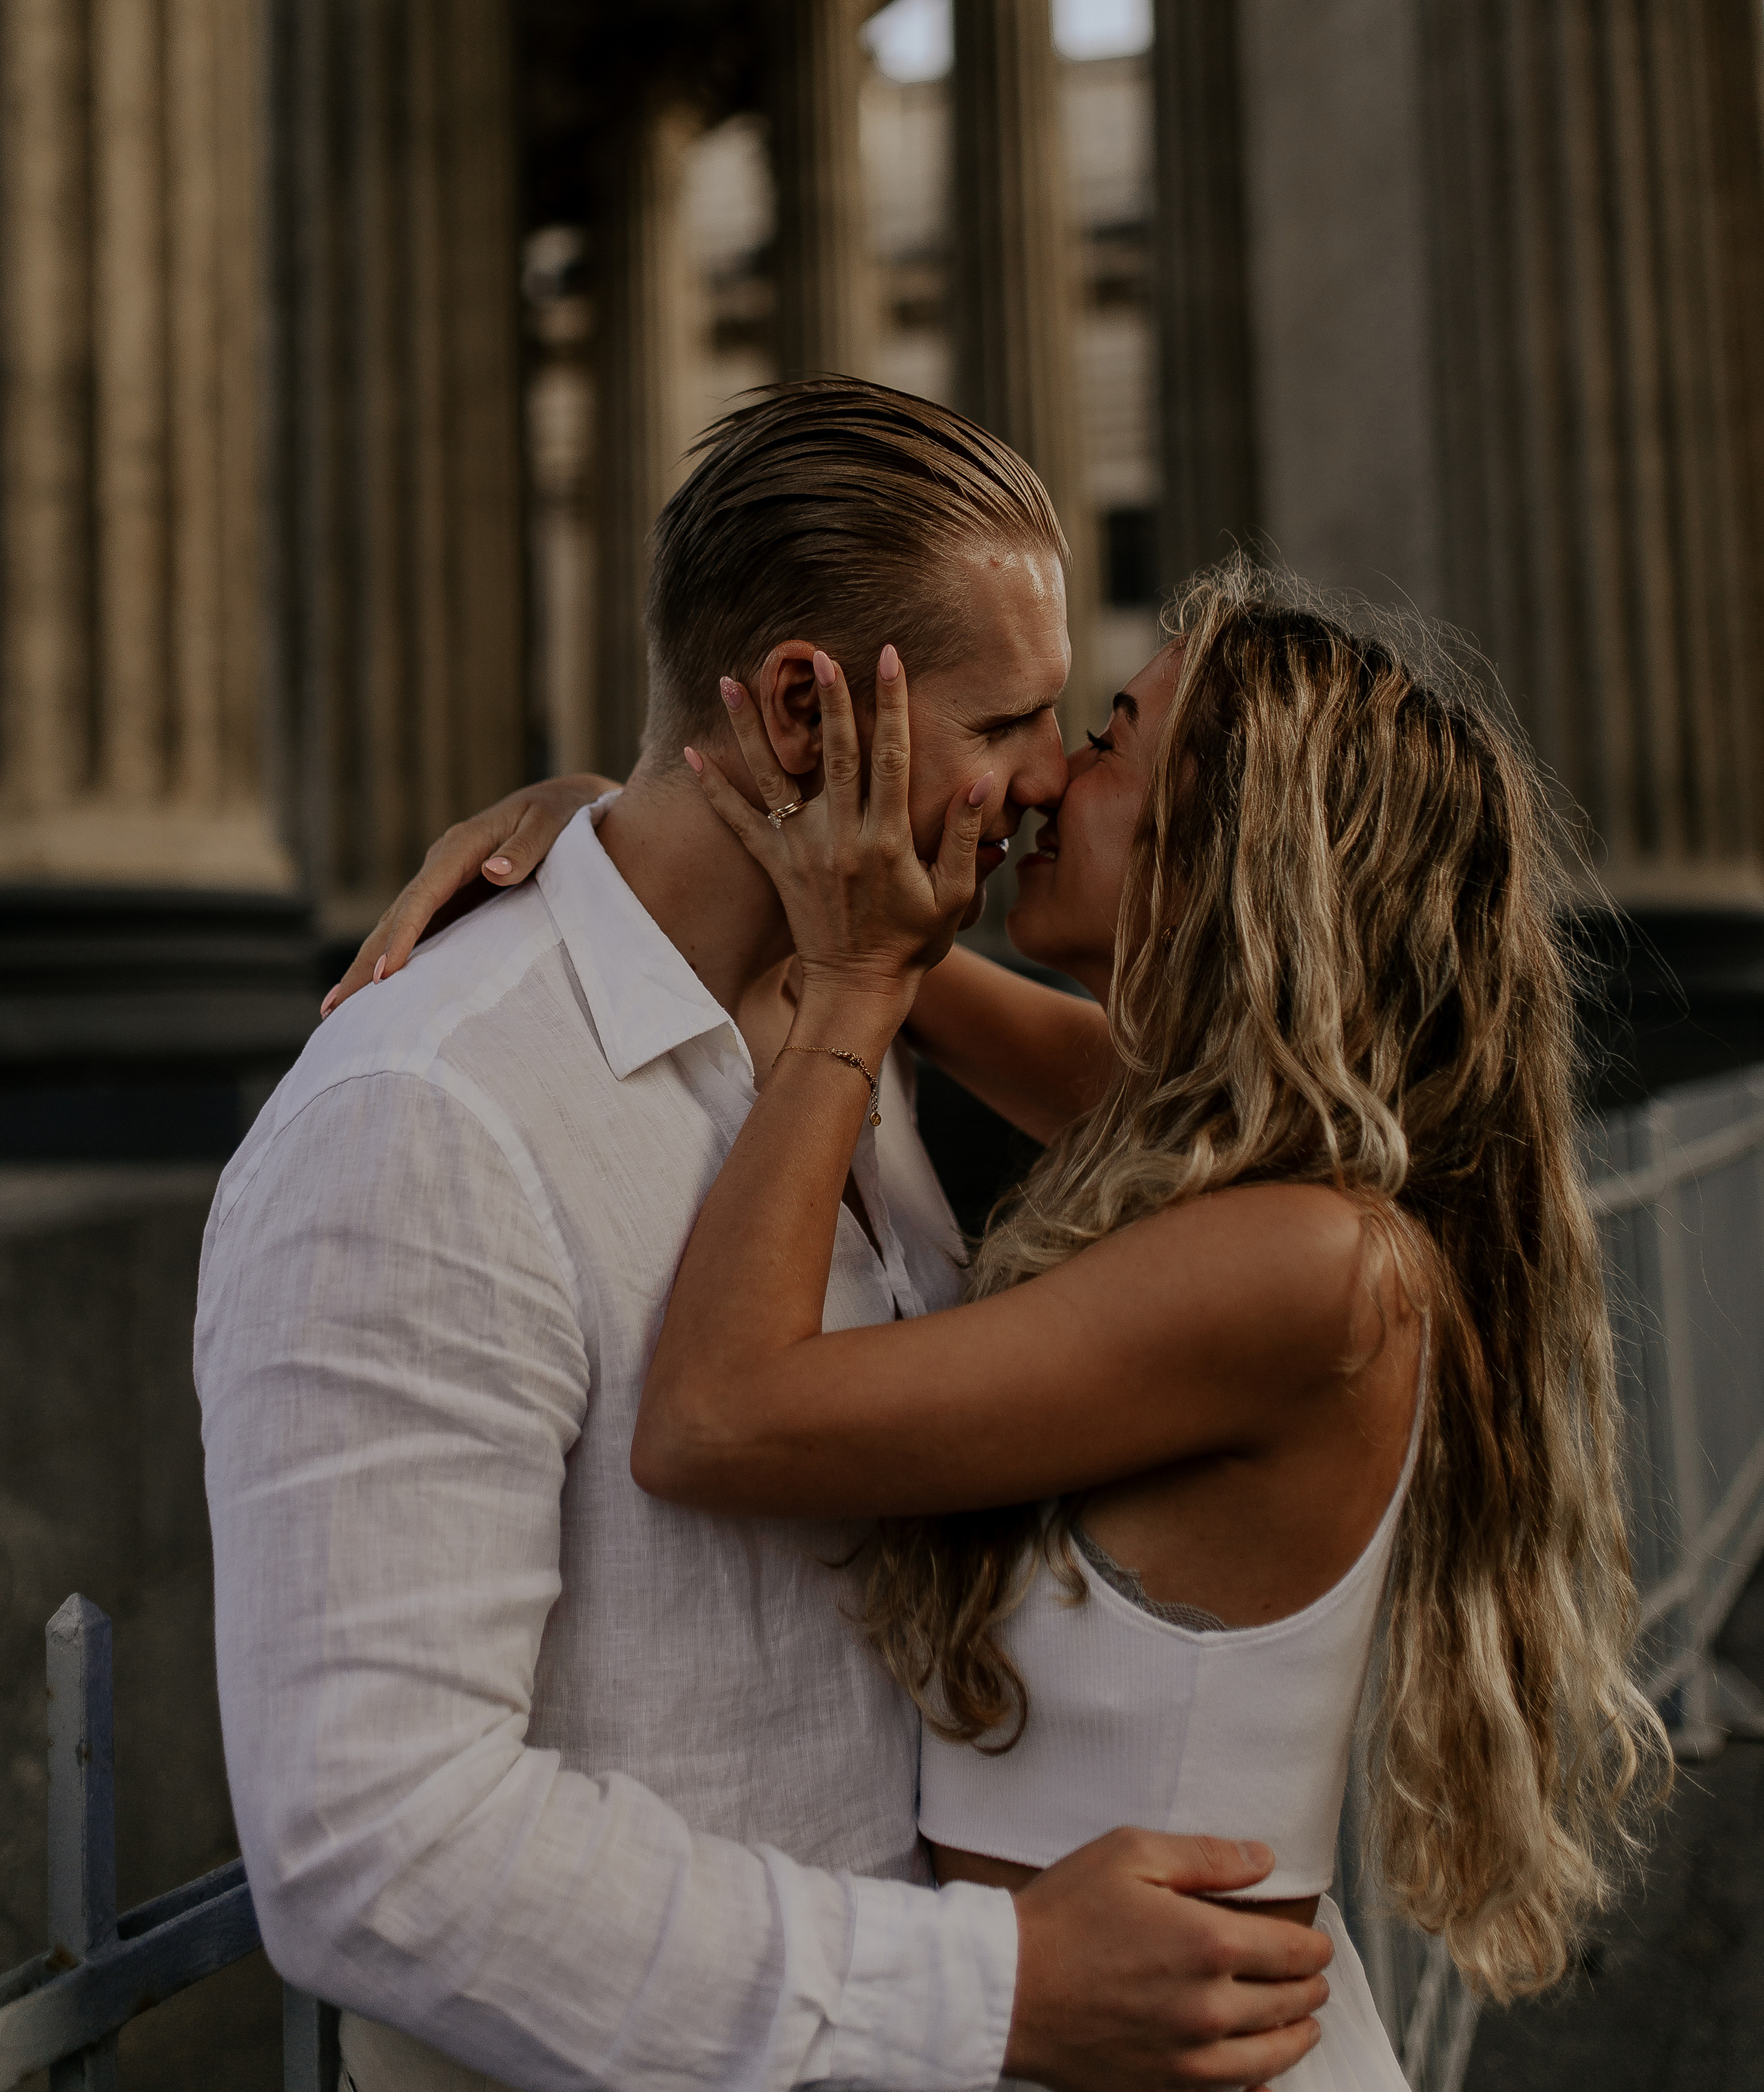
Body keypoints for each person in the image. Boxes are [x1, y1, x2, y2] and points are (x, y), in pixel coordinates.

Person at [350, 558, 1670, 2087]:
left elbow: (713, 1415)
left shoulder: (1305, 1266)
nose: (1047, 775)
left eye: (1110, 738)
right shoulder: (1213, 1146)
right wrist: (623, 831)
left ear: (1222, 851)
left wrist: (839, 987)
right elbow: (883, 959)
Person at [196, 382, 1335, 2092]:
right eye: (1013, 718)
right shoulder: (424, 1116)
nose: (1044, 780)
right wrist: (990, 1990)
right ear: (805, 711)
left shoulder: (841, 1012)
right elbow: (375, 1846)